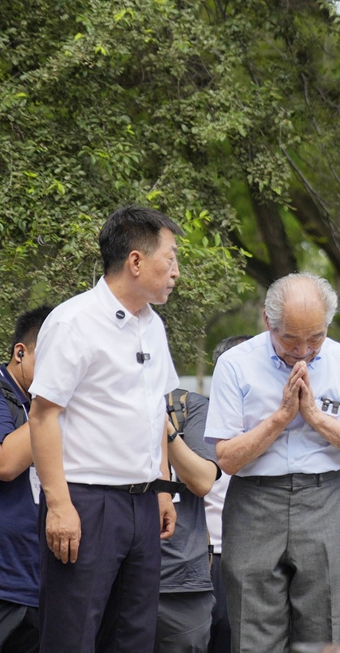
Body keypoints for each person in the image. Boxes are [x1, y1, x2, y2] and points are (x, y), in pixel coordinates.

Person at [28, 206, 183, 652]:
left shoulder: (153, 325)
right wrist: (59, 505)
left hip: (142, 502)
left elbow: (155, 412)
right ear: (136, 261)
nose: (176, 272)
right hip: (85, 501)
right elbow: (42, 415)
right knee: (72, 636)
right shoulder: (74, 321)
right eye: (170, 258)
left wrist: (162, 487)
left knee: (133, 636)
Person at [204, 273, 340, 652]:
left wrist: (315, 417)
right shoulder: (235, 364)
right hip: (254, 500)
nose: (303, 351)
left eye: (316, 337)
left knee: (324, 629)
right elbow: (227, 458)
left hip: (325, 497)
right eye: (290, 339)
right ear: (268, 321)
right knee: (253, 631)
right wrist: (281, 416)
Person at [0, 306, 51, 653]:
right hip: (6, 580)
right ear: (21, 352)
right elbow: (6, 463)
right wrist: (52, 400)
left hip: (40, 579)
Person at [156, 388, 221, 653]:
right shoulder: (99, 401)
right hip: (116, 573)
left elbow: (202, 481)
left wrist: (165, 429)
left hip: (182, 581)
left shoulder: (186, 405)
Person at [204, 336, 252, 653]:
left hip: (261, 551)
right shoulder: (201, 417)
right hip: (213, 553)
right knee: (219, 633)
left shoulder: (278, 420)